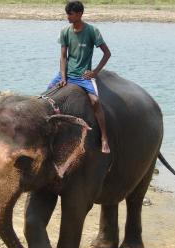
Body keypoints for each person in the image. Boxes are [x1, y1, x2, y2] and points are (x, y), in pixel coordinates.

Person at [48, 0, 111, 153]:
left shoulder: (92, 31)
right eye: (67, 14)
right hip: (67, 74)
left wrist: (94, 72)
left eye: (70, 14)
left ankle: (104, 137)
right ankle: (50, 131)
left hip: (83, 76)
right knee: (47, 94)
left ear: (80, 14)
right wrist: (63, 77)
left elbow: (107, 54)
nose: (68, 17)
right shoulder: (65, 31)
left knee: (95, 101)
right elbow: (63, 56)